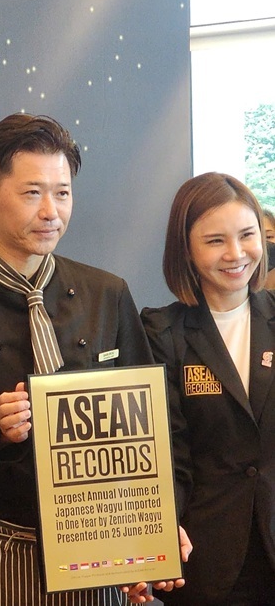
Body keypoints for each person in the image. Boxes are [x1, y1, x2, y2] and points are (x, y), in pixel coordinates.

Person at [0, 113, 188, 605]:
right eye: (33, 192)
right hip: (2, 547)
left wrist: (154, 535)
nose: (51, 211)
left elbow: (154, 426)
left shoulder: (108, 293)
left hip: (103, 544)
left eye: (63, 192)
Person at [141, 173, 275, 605]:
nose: (236, 254)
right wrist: (159, 532)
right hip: (205, 560)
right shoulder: (161, 332)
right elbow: (165, 455)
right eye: (215, 240)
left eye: (247, 235)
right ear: (186, 249)